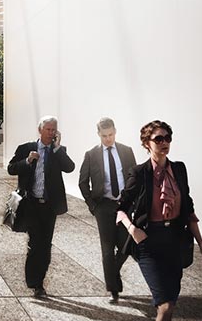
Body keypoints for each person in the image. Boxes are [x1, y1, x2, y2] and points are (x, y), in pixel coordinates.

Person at [117, 120, 202, 321]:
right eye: (158, 139)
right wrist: (133, 229)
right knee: (165, 305)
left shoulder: (179, 169)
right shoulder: (140, 173)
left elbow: (188, 210)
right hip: (149, 244)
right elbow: (121, 208)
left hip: (175, 242)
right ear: (147, 143)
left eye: (167, 138)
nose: (164, 142)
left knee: (169, 305)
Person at [7, 115, 75, 299]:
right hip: (31, 204)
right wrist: (27, 161)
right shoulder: (26, 148)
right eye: (48, 129)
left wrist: (58, 148)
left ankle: (39, 280)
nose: (51, 133)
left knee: (46, 246)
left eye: (54, 130)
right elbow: (11, 168)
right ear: (40, 130)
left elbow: (70, 167)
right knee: (35, 244)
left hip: (49, 207)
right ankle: (35, 284)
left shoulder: (58, 151)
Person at [78, 117, 136, 303]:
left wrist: (133, 203)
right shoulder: (91, 154)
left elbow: (134, 178)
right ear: (98, 134)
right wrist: (92, 206)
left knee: (127, 245)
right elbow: (82, 182)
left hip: (124, 206)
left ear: (115, 131)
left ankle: (112, 272)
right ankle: (113, 290)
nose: (108, 139)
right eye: (104, 136)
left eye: (110, 134)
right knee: (107, 249)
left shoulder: (126, 151)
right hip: (103, 206)